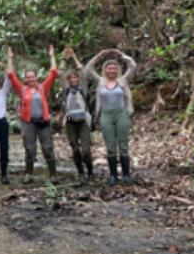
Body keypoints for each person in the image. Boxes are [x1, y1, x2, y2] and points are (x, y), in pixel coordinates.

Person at [85, 49, 137, 185]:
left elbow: (133, 66)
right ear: (105, 70)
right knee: (111, 146)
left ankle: (126, 175)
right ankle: (113, 175)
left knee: (123, 145)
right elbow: (88, 69)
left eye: (114, 68)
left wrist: (121, 55)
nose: (111, 71)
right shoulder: (100, 81)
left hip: (121, 114)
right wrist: (99, 55)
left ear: (118, 70)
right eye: (109, 68)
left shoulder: (123, 80)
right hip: (106, 115)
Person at [7, 45, 58, 184]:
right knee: (30, 149)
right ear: (25, 79)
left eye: (32, 77)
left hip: (43, 122)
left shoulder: (43, 87)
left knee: (47, 148)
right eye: (28, 77)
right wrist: (10, 58)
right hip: (28, 123)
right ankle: (28, 174)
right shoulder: (22, 90)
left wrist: (52, 56)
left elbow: (53, 72)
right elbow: (11, 75)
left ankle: (53, 175)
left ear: (36, 77)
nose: (30, 79)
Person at [59, 46, 93, 182]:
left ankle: (90, 171)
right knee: (75, 150)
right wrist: (63, 58)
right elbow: (60, 72)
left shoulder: (82, 87)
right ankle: (80, 172)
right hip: (70, 122)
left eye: (75, 78)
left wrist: (73, 56)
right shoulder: (66, 90)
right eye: (71, 78)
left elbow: (82, 71)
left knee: (85, 150)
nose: (73, 80)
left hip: (83, 121)